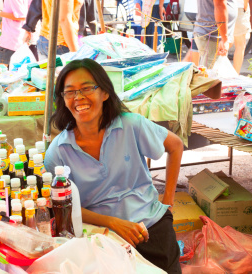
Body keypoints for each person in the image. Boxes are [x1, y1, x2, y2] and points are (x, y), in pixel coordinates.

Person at [44, 59, 183, 274]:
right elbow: (64, 207)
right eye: (69, 92)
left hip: (150, 224)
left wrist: (169, 202)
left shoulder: (131, 125)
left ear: (105, 93)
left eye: (87, 88)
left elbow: (175, 146)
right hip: (100, 235)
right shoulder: (58, 151)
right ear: (63, 100)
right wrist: (112, 223)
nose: (78, 97)